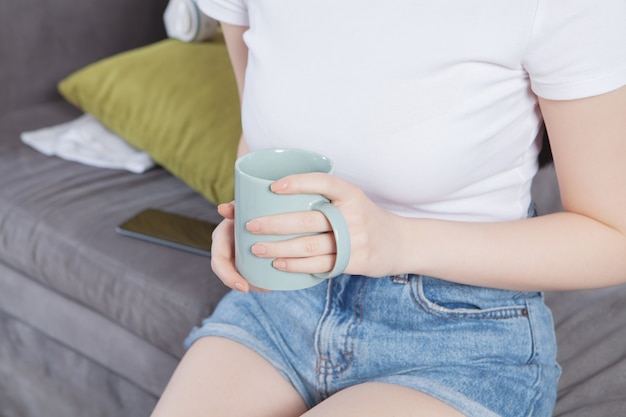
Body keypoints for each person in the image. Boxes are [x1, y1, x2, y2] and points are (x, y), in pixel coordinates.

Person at [151, 1, 626, 416]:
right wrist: (250, 225)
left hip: (459, 334)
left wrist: (397, 241)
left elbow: (613, 236)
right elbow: (260, 141)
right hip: (284, 302)